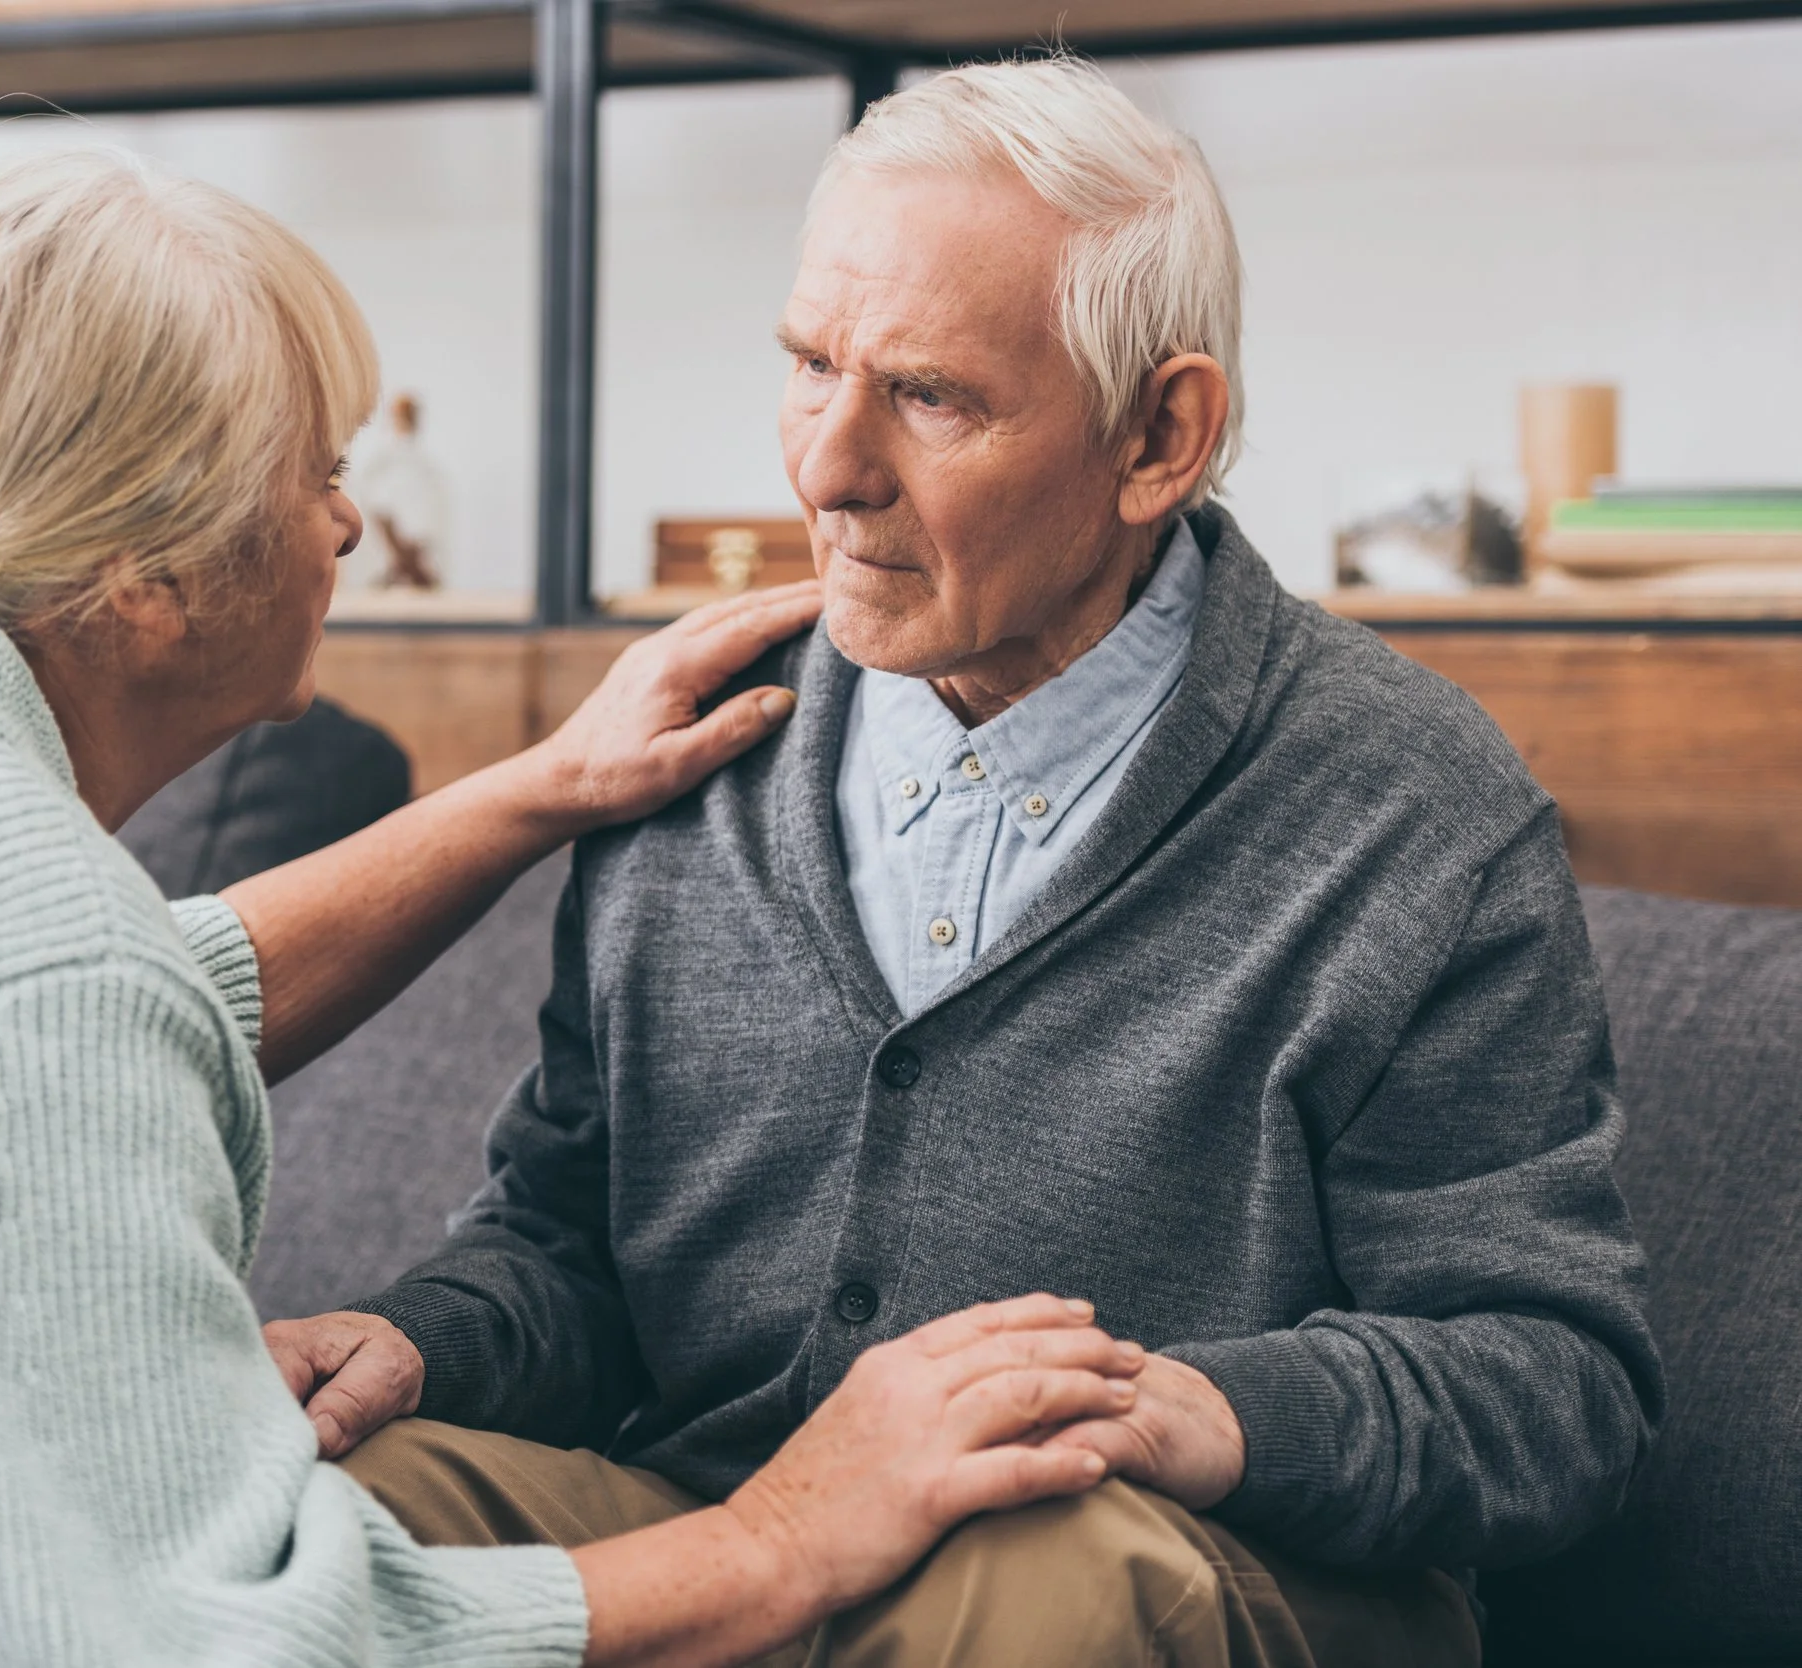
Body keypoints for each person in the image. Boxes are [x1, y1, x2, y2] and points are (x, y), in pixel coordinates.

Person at [0, 151, 1151, 1668]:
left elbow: (125, 1002)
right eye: (316, 473)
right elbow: (219, 1649)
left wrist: (527, 790)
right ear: (150, 585)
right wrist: (785, 1538)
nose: (350, 528)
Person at [269, 58, 1666, 1668]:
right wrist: (412, 1344)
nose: (825, 468)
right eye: (809, 365)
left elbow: (1559, 1388)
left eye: (930, 396)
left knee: (1035, 1559)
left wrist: (1195, 1409)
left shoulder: (1412, 805)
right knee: (317, 1512)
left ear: (1161, 435)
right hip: (718, 1533)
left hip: (1184, 1565)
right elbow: (565, 1251)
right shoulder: (696, 740)